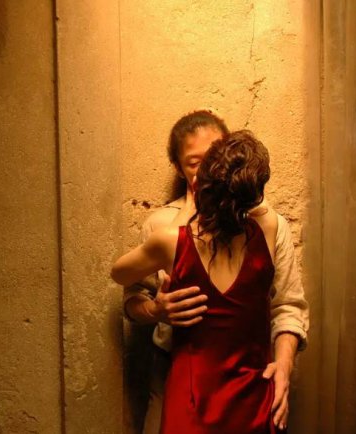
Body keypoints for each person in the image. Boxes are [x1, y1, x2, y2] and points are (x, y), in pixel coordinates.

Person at [123, 111, 308, 432]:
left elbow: (288, 306)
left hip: (246, 377)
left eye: (216, 154)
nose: (211, 168)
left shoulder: (266, 225)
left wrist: (283, 365)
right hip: (174, 370)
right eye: (196, 163)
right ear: (179, 168)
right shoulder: (162, 227)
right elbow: (130, 300)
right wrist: (156, 310)